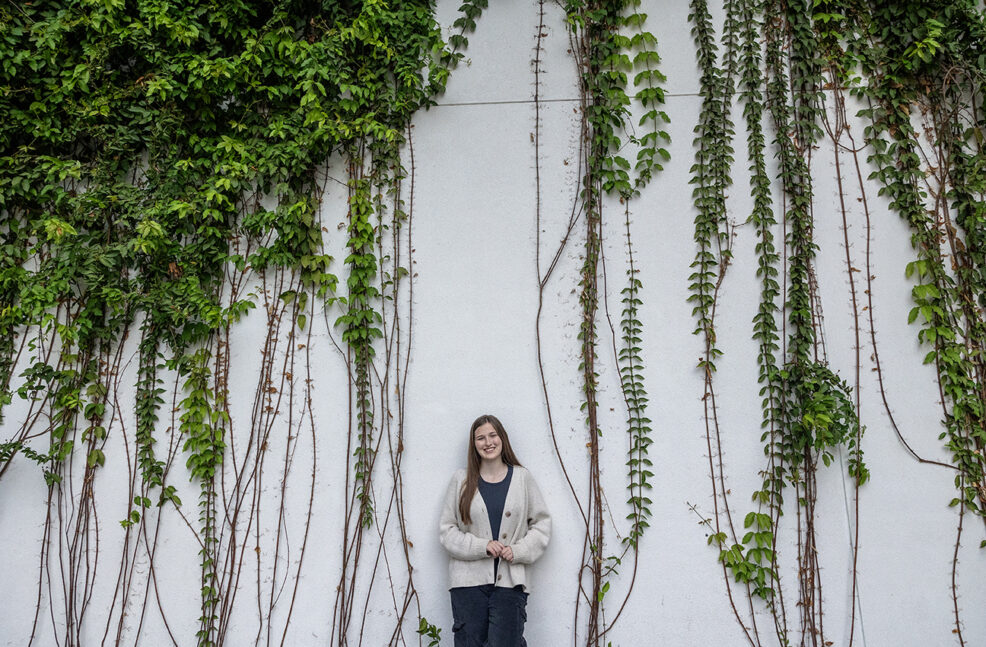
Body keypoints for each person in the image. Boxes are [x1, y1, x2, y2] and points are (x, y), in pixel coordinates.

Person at [439, 414, 551, 647]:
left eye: (492, 435)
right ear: (474, 444)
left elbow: (542, 524)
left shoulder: (522, 477)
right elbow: (447, 531)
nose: (488, 442)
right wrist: (482, 546)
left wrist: (519, 550)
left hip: (510, 583)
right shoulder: (461, 480)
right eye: (480, 438)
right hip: (467, 585)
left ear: (502, 438)